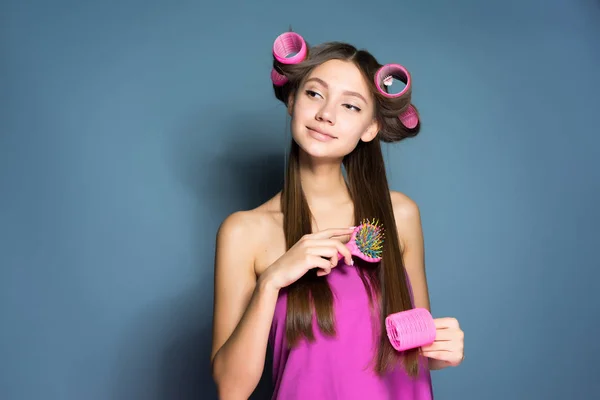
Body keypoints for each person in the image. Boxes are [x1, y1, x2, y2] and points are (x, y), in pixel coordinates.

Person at [210, 33, 465, 400]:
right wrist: (272, 281)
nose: (326, 114)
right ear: (292, 101)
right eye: (315, 94)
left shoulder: (400, 214)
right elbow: (231, 390)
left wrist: (443, 349)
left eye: (350, 106)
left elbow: (417, 343)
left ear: (371, 128)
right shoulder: (244, 231)